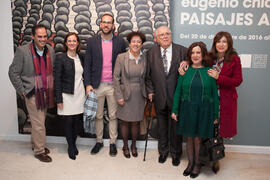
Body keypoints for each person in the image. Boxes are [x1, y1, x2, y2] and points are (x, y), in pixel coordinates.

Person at [171, 42, 219, 178]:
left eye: (198, 52)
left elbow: (215, 95)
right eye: (192, 52)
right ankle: (190, 163)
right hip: (187, 109)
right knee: (189, 137)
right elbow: (178, 92)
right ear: (189, 55)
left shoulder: (210, 71)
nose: (195, 55)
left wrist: (216, 114)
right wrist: (175, 110)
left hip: (204, 110)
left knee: (198, 138)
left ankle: (197, 164)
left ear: (203, 55)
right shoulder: (184, 71)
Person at [8, 24, 55, 163]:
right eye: (39, 36)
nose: (42, 39)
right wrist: (22, 91)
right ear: (33, 36)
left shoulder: (50, 50)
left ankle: (36, 144)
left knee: (39, 122)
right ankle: (39, 151)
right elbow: (13, 72)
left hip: (46, 91)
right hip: (32, 92)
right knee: (39, 123)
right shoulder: (23, 51)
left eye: (45, 36)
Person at [84, 13, 126, 156]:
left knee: (114, 116)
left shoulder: (120, 42)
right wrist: (88, 84)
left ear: (113, 25)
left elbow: (123, 65)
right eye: (104, 22)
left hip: (114, 86)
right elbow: (87, 64)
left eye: (109, 22)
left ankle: (113, 143)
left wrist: (121, 85)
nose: (106, 25)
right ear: (100, 24)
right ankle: (99, 141)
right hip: (97, 85)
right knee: (98, 116)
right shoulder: (92, 42)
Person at [145, 26, 186, 166]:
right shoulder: (151, 53)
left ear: (171, 35)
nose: (165, 37)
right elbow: (148, 76)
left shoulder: (182, 51)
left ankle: (176, 153)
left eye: (167, 33)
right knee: (162, 128)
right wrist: (150, 91)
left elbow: (190, 71)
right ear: (156, 38)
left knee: (176, 129)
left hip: (177, 98)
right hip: (159, 97)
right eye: (161, 35)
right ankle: (163, 152)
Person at [207, 31, 243, 172]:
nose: (221, 45)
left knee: (219, 131)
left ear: (229, 44)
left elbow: (238, 81)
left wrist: (218, 77)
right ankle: (206, 155)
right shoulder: (209, 58)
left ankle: (216, 159)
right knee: (208, 128)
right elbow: (195, 61)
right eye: (218, 42)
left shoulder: (234, 59)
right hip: (209, 99)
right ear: (215, 44)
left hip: (226, 100)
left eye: (224, 42)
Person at [113, 31, 147, 158]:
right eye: (134, 41)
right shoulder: (121, 57)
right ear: (129, 43)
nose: (136, 44)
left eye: (139, 42)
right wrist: (119, 96)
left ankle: (134, 146)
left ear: (142, 44)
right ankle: (125, 146)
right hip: (125, 94)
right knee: (125, 122)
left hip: (139, 94)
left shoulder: (145, 57)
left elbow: (147, 77)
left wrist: (148, 93)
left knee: (136, 122)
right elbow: (116, 78)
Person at [54, 32, 85, 160]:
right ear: (66, 43)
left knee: (76, 122)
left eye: (74, 41)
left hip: (79, 94)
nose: (72, 43)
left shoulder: (81, 57)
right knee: (68, 121)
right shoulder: (61, 57)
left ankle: (74, 143)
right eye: (69, 41)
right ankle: (71, 146)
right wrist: (58, 99)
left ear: (77, 43)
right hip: (66, 95)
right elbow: (57, 80)